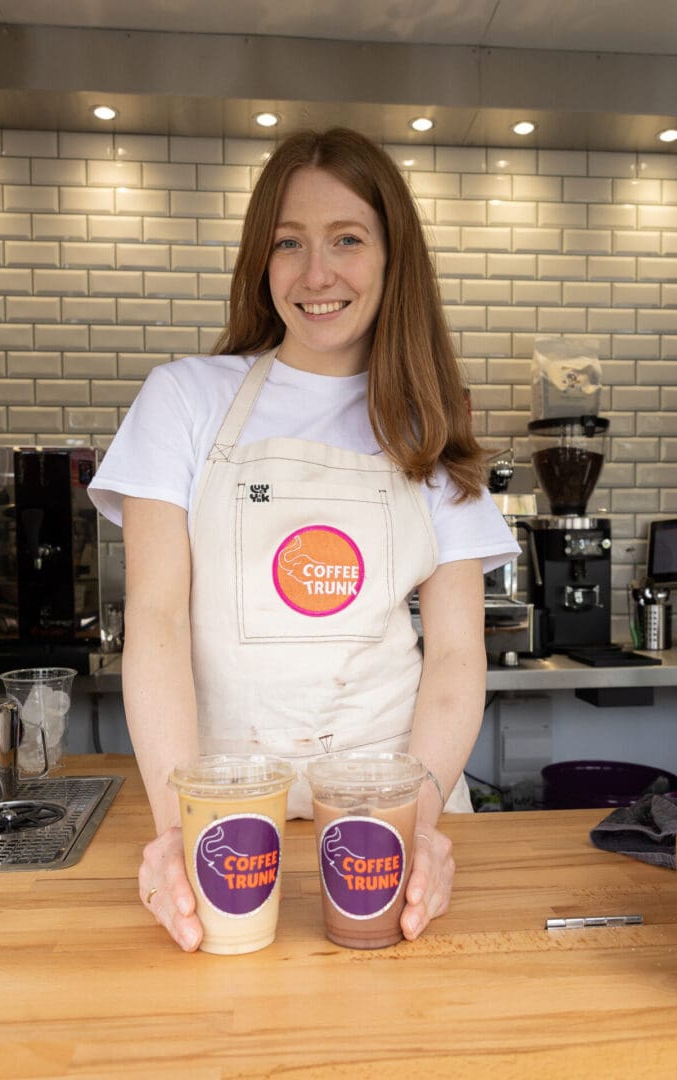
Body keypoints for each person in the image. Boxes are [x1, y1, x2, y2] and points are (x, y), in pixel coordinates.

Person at [88, 127, 520, 951]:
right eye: (289, 242)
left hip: (386, 816)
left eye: (347, 239)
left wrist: (421, 820)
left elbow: (457, 655)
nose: (316, 274)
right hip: (226, 811)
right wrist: (182, 827)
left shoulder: (427, 428)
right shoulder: (183, 401)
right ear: (262, 259)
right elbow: (157, 620)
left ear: (394, 257)